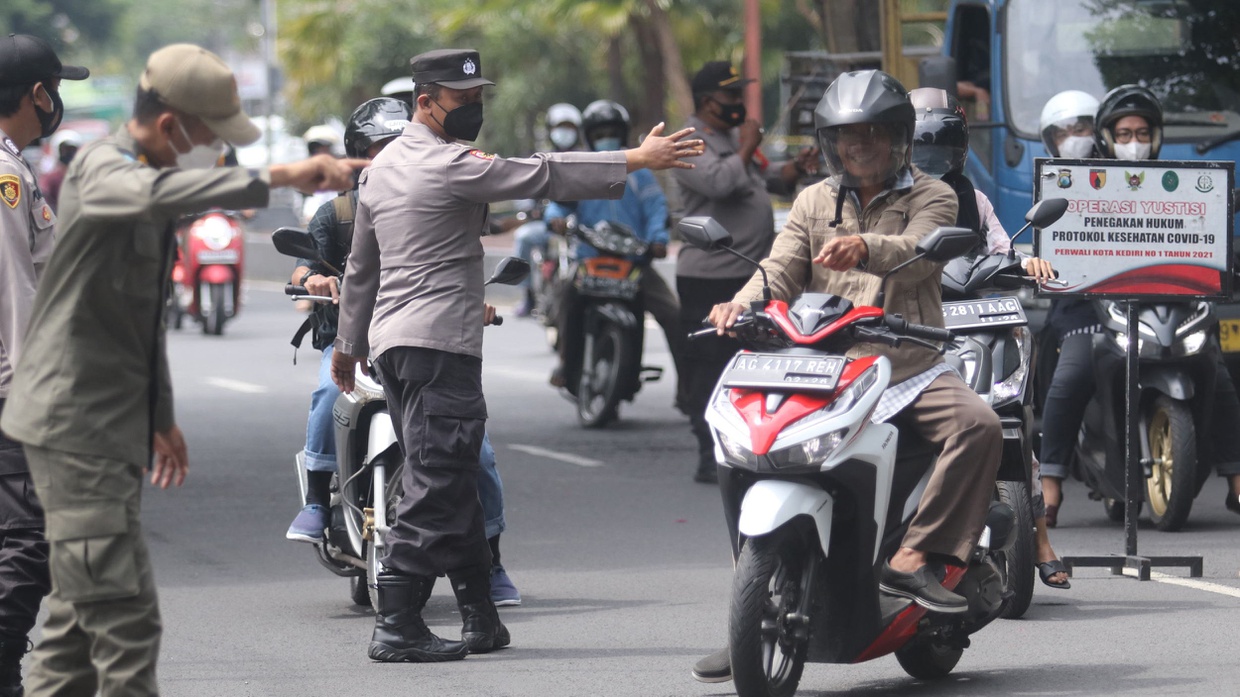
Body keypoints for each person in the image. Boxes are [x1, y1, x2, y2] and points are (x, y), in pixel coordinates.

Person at [0, 43, 365, 695]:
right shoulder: (100, 171)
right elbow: (27, 292)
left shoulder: (142, 195)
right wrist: (285, 176)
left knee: (78, 622)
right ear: (171, 126)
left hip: (101, 417)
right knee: (103, 605)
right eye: (212, 136)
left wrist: (159, 415)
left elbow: (139, 317)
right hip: (58, 417)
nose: (218, 151)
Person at [330, 48, 703, 664]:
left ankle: (480, 615)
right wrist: (636, 158)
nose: (473, 109)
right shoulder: (451, 164)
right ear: (425, 102)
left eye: (478, 98)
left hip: (394, 346)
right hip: (439, 345)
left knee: (452, 478)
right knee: (436, 479)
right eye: (462, 99)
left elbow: (361, 269)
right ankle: (396, 621)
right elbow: (542, 173)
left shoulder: (380, 169)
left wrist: (348, 344)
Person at [694, 69, 1002, 684]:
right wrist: (740, 304)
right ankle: (749, 611)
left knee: (980, 425)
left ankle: (914, 556)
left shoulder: (934, 195)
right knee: (749, 448)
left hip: (907, 364)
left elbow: (920, 254)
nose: (859, 145)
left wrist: (866, 246)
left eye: (872, 134)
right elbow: (779, 269)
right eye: (846, 135)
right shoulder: (813, 200)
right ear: (831, 142)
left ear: (899, 138)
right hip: (821, 366)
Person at [286, 96, 521, 605]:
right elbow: (310, 267)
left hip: (423, 345)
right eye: (377, 149)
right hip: (360, 348)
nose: (389, 156)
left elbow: (462, 263)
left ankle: (492, 556)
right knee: (327, 393)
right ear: (357, 157)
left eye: (397, 145)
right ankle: (317, 501)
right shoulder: (338, 213)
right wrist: (315, 279)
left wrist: (473, 301)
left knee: (474, 451)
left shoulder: (442, 200)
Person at [1039, 85, 1240, 521]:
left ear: (1157, 136)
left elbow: (1204, 235)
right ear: (1108, 137)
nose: (1135, 143)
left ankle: (1237, 478)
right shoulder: (1084, 180)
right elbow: (1058, 242)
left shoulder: (1180, 181)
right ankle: (1050, 482)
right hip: (1087, 304)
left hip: (1166, 300)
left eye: (1143, 133)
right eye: (1125, 134)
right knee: (1072, 374)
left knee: (1216, 370)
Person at [909, 87, 1068, 590]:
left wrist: (1028, 261)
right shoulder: (890, 201)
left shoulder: (973, 199)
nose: (931, 162)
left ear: (959, 150)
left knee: (1016, 420)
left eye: (941, 150)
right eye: (920, 150)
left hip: (972, 320)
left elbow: (1002, 247)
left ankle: (1041, 541)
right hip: (911, 328)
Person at [674, 61, 819, 484]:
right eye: (732, 95)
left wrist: (794, 168)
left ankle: (752, 446)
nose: (739, 103)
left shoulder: (732, 139)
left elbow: (760, 178)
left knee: (755, 363)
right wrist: (747, 146)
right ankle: (709, 452)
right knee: (710, 367)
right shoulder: (689, 141)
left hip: (752, 274)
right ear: (708, 102)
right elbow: (719, 183)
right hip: (710, 276)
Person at [0, 33, 88, 697]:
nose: (57, 103)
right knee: (31, 538)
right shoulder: (4, 177)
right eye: (55, 90)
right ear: (36, 94)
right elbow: (14, 294)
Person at [546, 99, 686, 405]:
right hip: (590, 260)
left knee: (673, 314)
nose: (606, 138)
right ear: (589, 136)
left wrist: (658, 239)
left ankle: (688, 390)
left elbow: (656, 209)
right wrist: (555, 219)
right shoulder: (582, 170)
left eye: (612, 132)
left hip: (634, 263)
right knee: (565, 298)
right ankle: (566, 363)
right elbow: (559, 202)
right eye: (600, 133)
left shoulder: (641, 173)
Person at [512, 102, 583, 317]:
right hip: (547, 226)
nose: (565, 132)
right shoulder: (540, 160)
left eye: (570, 127)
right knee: (524, 237)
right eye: (561, 127)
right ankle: (528, 295)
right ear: (551, 130)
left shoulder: (586, 160)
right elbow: (524, 190)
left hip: (578, 227)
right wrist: (531, 209)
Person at [38, 128, 81, 212]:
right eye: (65, 150)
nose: (68, 153)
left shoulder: (81, 176)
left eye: (72, 150)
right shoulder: (51, 178)